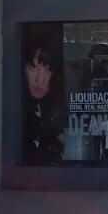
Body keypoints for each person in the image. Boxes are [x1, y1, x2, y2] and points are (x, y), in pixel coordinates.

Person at [23, 35, 64, 164]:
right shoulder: (18, 111)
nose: (39, 79)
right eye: (33, 68)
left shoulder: (60, 111)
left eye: (46, 70)